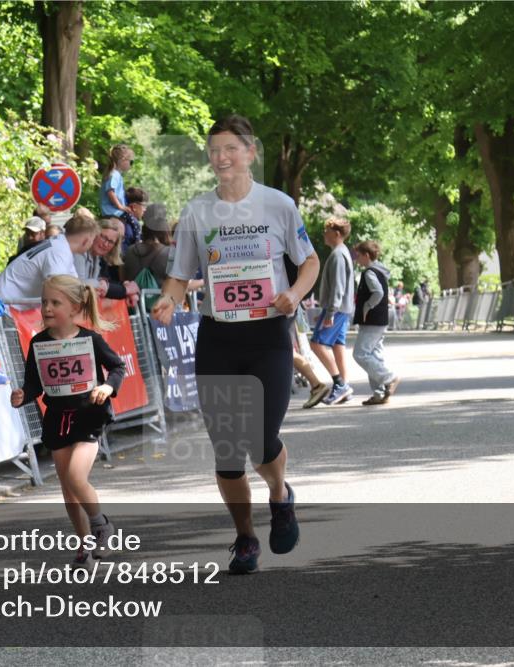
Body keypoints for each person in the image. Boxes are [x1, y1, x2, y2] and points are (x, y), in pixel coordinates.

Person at [151, 114, 320, 574]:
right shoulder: (198, 211)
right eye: (213, 151)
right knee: (227, 448)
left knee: (259, 438)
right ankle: (245, 538)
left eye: (230, 149)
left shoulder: (278, 205)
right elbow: (180, 275)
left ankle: (281, 495)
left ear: (250, 153)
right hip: (219, 336)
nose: (221, 158)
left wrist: (294, 295)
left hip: (268, 334)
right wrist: (168, 301)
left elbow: (309, 262)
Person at [10, 275, 126, 568]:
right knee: (67, 488)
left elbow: (116, 366)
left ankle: (101, 526)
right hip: (57, 418)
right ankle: (84, 547)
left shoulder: (90, 339)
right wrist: (23, 395)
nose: (47, 308)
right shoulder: (38, 343)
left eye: (54, 302)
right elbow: (34, 384)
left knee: (77, 476)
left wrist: (108, 387)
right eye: (44, 302)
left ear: (74, 308)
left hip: (88, 416)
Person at [0, 209, 99, 304]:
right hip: (6, 307)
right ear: (86, 241)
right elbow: (57, 290)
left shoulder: (60, 245)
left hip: (8, 302)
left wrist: (94, 286)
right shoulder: (59, 251)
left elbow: (75, 284)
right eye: (93, 240)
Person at [307, 216, 355, 408]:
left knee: (316, 344)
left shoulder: (337, 255)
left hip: (337, 308)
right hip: (342, 308)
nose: (324, 235)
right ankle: (345, 385)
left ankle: (339, 384)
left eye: (326, 231)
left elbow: (338, 287)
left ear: (336, 233)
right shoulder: (342, 253)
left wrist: (330, 312)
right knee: (337, 345)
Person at [352, 240, 401, 406]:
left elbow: (378, 292)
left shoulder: (369, 273)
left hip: (372, 320)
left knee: (360, 354)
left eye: (358, 255)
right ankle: (380, 393)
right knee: (374, 355)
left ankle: (389, 378)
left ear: (366, 255)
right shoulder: (379, 271)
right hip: (380, 320)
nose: (356, 259)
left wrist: (367, 306)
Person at [74, 218, 140, 306]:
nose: (105, 244)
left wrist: (125, 287)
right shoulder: (80, 252)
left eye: (111, 242)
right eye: (103, 237)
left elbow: (100, 282)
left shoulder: (96, 257)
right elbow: (81, 284)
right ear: (94, 233)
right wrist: (125, 290)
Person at [122, 203, 172, 285]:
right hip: (162, 297)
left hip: (133, 296)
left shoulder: (129, 251)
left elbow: (123, 278)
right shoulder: (170, 253)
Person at [99, 144, 134, 219]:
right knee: (133, 224)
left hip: (114, 212)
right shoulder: (114, 175)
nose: (131, 165)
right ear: (123, 159)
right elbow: (110, 192)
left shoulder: (116, 175)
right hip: (113, 213)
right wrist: (121, 207)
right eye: (131, 162)